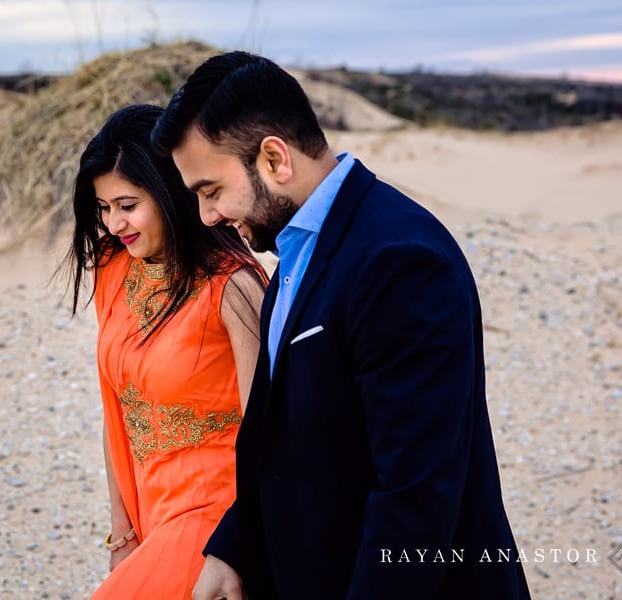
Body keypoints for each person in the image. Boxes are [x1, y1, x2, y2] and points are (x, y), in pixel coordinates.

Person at [151, 52, 531, 599]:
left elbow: (413, 499)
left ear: (275, 160)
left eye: (211, 191)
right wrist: (235, 546)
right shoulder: (295, 251)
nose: (208, 216)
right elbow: (282, 440)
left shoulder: (399, 261)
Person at [65, 104, 266, 599]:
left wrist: (238, 546)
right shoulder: (113, 269)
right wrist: (123, 532)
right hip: (148, 506)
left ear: (170, 191)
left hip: (215, 513)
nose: (114, 223)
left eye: (128, 205)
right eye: (104, 207)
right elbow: (117, 410)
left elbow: (272, 434)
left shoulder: (234, 290)